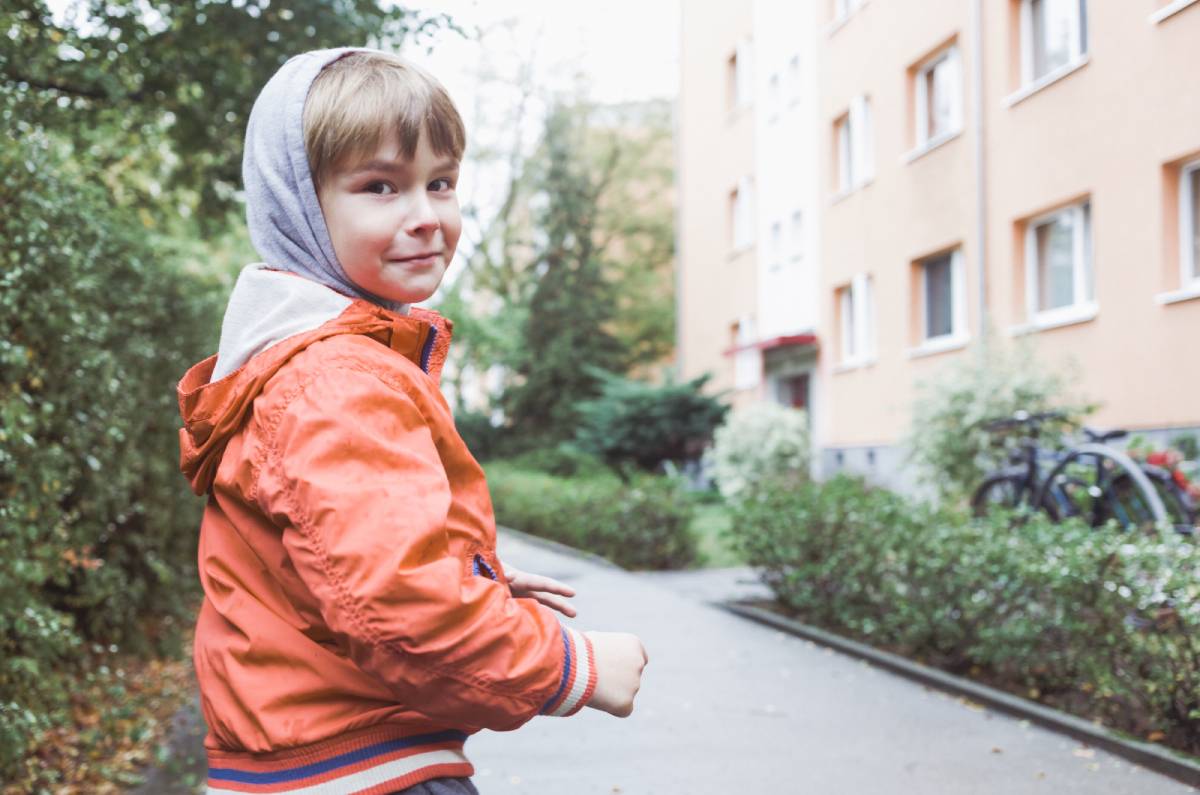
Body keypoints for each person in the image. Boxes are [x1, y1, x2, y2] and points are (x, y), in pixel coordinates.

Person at [176, 47, 648, 795]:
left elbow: (335, 566)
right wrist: (572, 666)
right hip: (369, 771)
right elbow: (398, 607)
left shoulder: (301, 365)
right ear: (299, 203)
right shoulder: (336, 379)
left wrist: (466, 572)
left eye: (441, 183)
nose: (426, 217)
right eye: (380, 186)